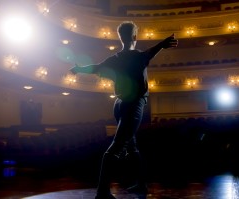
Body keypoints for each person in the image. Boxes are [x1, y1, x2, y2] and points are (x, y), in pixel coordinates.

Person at [69, 21, 178, 199]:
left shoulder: (115, 59)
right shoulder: (138, 56)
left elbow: (96, 68)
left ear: (121, 37)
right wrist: (162, 44)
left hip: (119, 105)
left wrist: (79, 69)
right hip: (133, 104)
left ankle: (141, 185)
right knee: (116, 148)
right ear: (135, 36)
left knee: (132, 147)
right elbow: (151, 52)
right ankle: (102, 192)